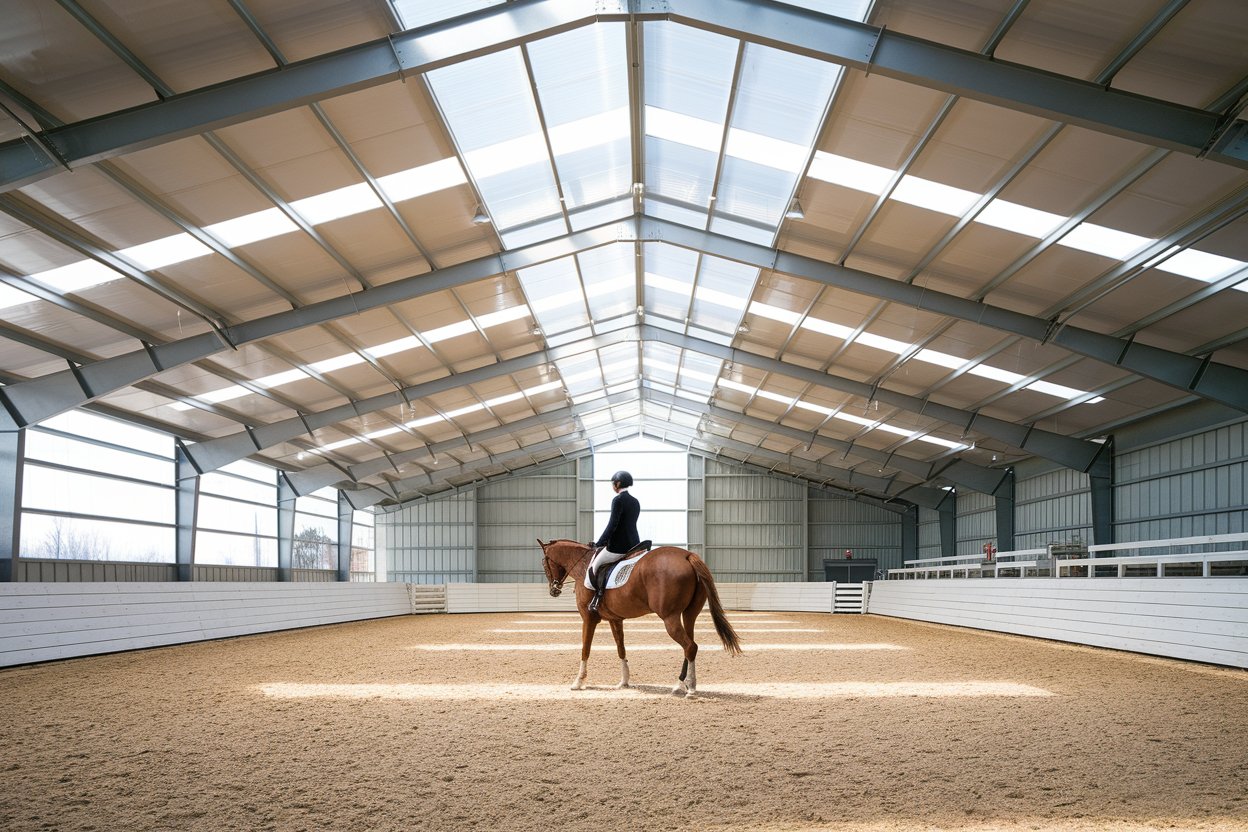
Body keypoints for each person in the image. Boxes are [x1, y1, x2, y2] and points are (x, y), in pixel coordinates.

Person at [587, 470, 640, 613]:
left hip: (618, 547)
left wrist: (599, 543)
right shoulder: (635, 501)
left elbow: (613, 525)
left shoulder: (617, 500)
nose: (613, 486)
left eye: (613, 483)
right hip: (635, 545)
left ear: (617, 483)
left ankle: (597, 598)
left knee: (595, 567)